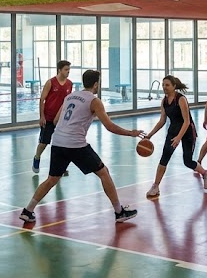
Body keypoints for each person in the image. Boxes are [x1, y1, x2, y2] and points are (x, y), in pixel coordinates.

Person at [19, 69, 142, 224]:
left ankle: (28, 210)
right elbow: (109, 126)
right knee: (104, 173)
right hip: (75, 144)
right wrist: (131, 133)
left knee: (51, 179)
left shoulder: (70, 96)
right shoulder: (94, 101)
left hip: (57, 141)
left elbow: (56, 121)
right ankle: (119, 212)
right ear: (96, 84)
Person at [143, 75, 207, 199]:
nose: (164, 87)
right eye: (163, 84)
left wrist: (178, 137)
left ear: (174, 86)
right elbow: (162, 121)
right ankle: (155, 186)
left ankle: (205, 173)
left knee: (187, 161)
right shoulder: (164, 101)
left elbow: (186, 121)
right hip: (173, 131)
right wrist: (150, 135)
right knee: (164, 158)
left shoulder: (181, 99)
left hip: (187, 132)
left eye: (167, 85)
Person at [32, 60, 73, 174]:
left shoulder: (69, 84)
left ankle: (60, 167)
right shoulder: (50, 83)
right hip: (49, 118)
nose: (68, 72)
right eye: (66, 69)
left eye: (69, 69)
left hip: (62, 119)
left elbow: (68, 101)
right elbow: (42, 99)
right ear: (59, 70)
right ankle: (37, 157)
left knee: (61, 143)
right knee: (44, 143)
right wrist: (42, 117)